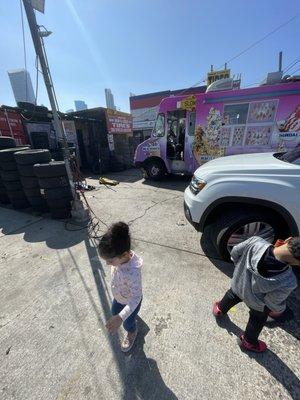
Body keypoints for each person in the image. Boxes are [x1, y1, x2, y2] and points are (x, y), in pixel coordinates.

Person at [213, 236, 300, 353]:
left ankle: (219, 309)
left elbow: (235, 252)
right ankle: (249, 341)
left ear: (288, 239)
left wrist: (239, 266)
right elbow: (273, 302)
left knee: (231, 296)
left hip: (238, 284)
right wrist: (280, 310)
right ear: (297, 262)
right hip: (256, 303)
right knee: (257, 319)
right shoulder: (288, 280)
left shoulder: (255, 241)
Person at [98, 222, 143, 352]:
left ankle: (132, 331)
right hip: (119, 297)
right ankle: (131, 314)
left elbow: (136, 298)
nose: (107, 264)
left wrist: (121, 317)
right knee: (114, 312)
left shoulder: (133, 273)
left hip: (131, 300)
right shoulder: (119, 259)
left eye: (110, 261)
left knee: (127, 322)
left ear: (124, 255)